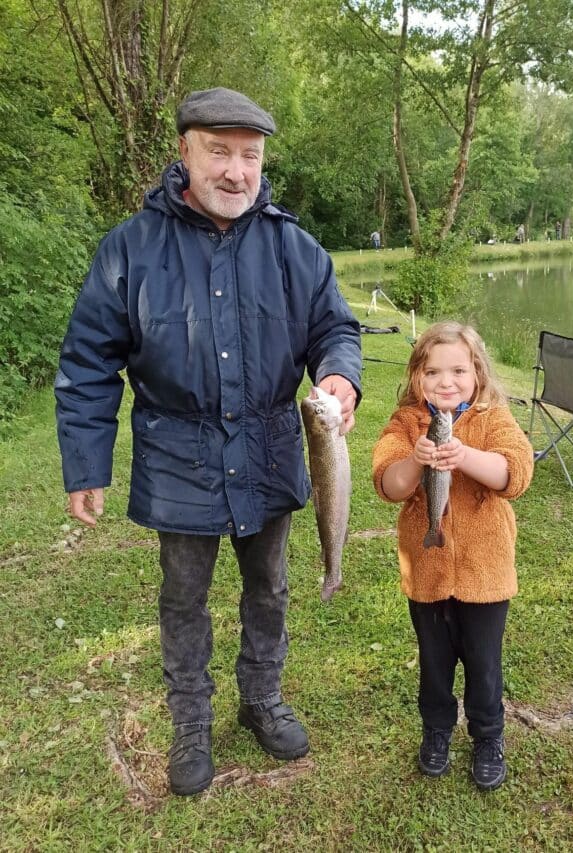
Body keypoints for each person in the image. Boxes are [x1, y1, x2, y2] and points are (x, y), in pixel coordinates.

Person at [54, 87, 362, 796]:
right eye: (218, 152)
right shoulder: (129, 248)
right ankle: (191, 722)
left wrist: (340, 376)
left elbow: (335, 329)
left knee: (271, 589)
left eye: (248, 156)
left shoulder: (295, 246)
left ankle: (261, 700)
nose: (234, 171)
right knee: (182, 599)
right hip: (176, 458)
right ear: (184, 153)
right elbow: (88, 361)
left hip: (272, 449)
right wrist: (84, 464)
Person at [371, 322, 533, 790]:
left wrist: (463, 456)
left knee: (484, 664)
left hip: (487, 575)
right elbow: (388, 483)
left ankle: (488, 736)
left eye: (459, 370)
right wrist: (417, 460)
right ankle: (437, 731)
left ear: (478, 373)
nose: (446, 381)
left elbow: (515, 473)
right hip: (427, 574)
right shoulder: (406, 424)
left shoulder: (493, 417)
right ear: (416, 377)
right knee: (434, 663)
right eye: (433, 371)